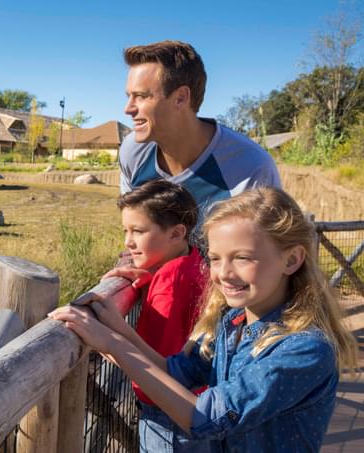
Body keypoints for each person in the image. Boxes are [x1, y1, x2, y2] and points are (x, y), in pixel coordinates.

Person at [52, 187, 357, 452]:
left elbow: (206, 417)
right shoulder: (234, 322)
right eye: (215, 258)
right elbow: (174, 371)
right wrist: (116, 330)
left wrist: (112, 344)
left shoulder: (303, 349)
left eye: (242, 258)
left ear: (291, 260)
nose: (224, 273)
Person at [97, 179, 212, 452]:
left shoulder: (170, 282)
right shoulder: (192, 261)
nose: (128, 242)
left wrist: (105, 335)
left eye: (138, 231)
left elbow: (157, 365)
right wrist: (150, 279)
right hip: (193, 406)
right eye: (125, 230)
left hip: (168, 416)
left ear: (176, 233)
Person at [118, 40, 281, 219]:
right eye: (129, 96)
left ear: (180, 97)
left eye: (141, 96)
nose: (128, 109)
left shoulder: (251, 166)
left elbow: (265, 244)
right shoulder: (132, 152)